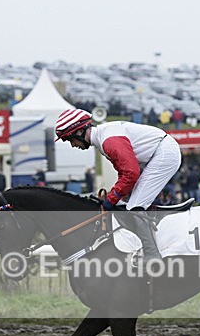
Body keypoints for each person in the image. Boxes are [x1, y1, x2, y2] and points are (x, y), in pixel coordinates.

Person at [55, 108, 181, 263]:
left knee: (135, 207)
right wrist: (113, 196)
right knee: (127, 204)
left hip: (164, 153)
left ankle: (152, 255)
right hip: (161, 151)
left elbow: (131, 173)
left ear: (79, 132)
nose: (73, 145)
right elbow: (124, 174)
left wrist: (112, 197)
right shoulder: (103, 138)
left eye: (70, 140)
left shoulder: (109, 142)